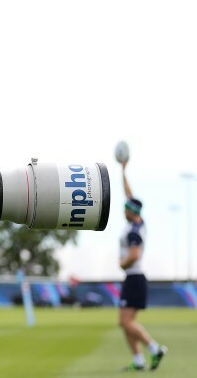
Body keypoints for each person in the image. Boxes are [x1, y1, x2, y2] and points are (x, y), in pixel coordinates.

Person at [118, 159, 167, 372]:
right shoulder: (139, 222)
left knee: (125, 322)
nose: (123, 210)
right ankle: (138, 360)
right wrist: (123, 170)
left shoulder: (134, 232)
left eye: (125, 209)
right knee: (125, 321)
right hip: (134, 278)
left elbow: (134, 255)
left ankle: (154, 349)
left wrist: (122, 263)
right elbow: (129, 195)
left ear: (131, 211)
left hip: (135, 277)